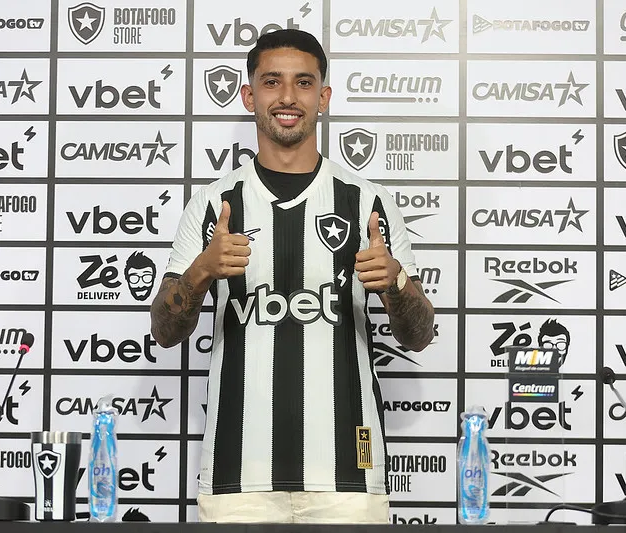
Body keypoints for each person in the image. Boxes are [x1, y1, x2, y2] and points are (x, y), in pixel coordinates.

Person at [150, 28, 435, 524]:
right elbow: (163, 331)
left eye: (303, 83)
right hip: (236, 479)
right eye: (271, 82)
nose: (287, 97)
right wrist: (200, 272)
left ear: (323, 97)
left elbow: (419, 336)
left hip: (349, 476)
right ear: (248, 95)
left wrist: (397, 284)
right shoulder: (215, 203)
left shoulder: (367, 201)